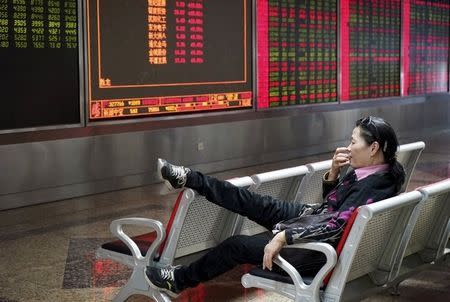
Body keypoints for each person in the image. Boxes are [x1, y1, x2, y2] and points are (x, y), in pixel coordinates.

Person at [145, 116, 406, 297]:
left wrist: (284, 235)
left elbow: (337, 224)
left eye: (353, 142)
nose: (348, 147)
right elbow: (337, 209)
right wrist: (333, 174)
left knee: (236, 245)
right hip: (315, 224)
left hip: (315, 251)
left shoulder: (372, 184)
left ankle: (178, 281)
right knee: (255, 202)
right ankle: (189, 178)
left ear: (373, 147)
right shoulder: (379, 173)